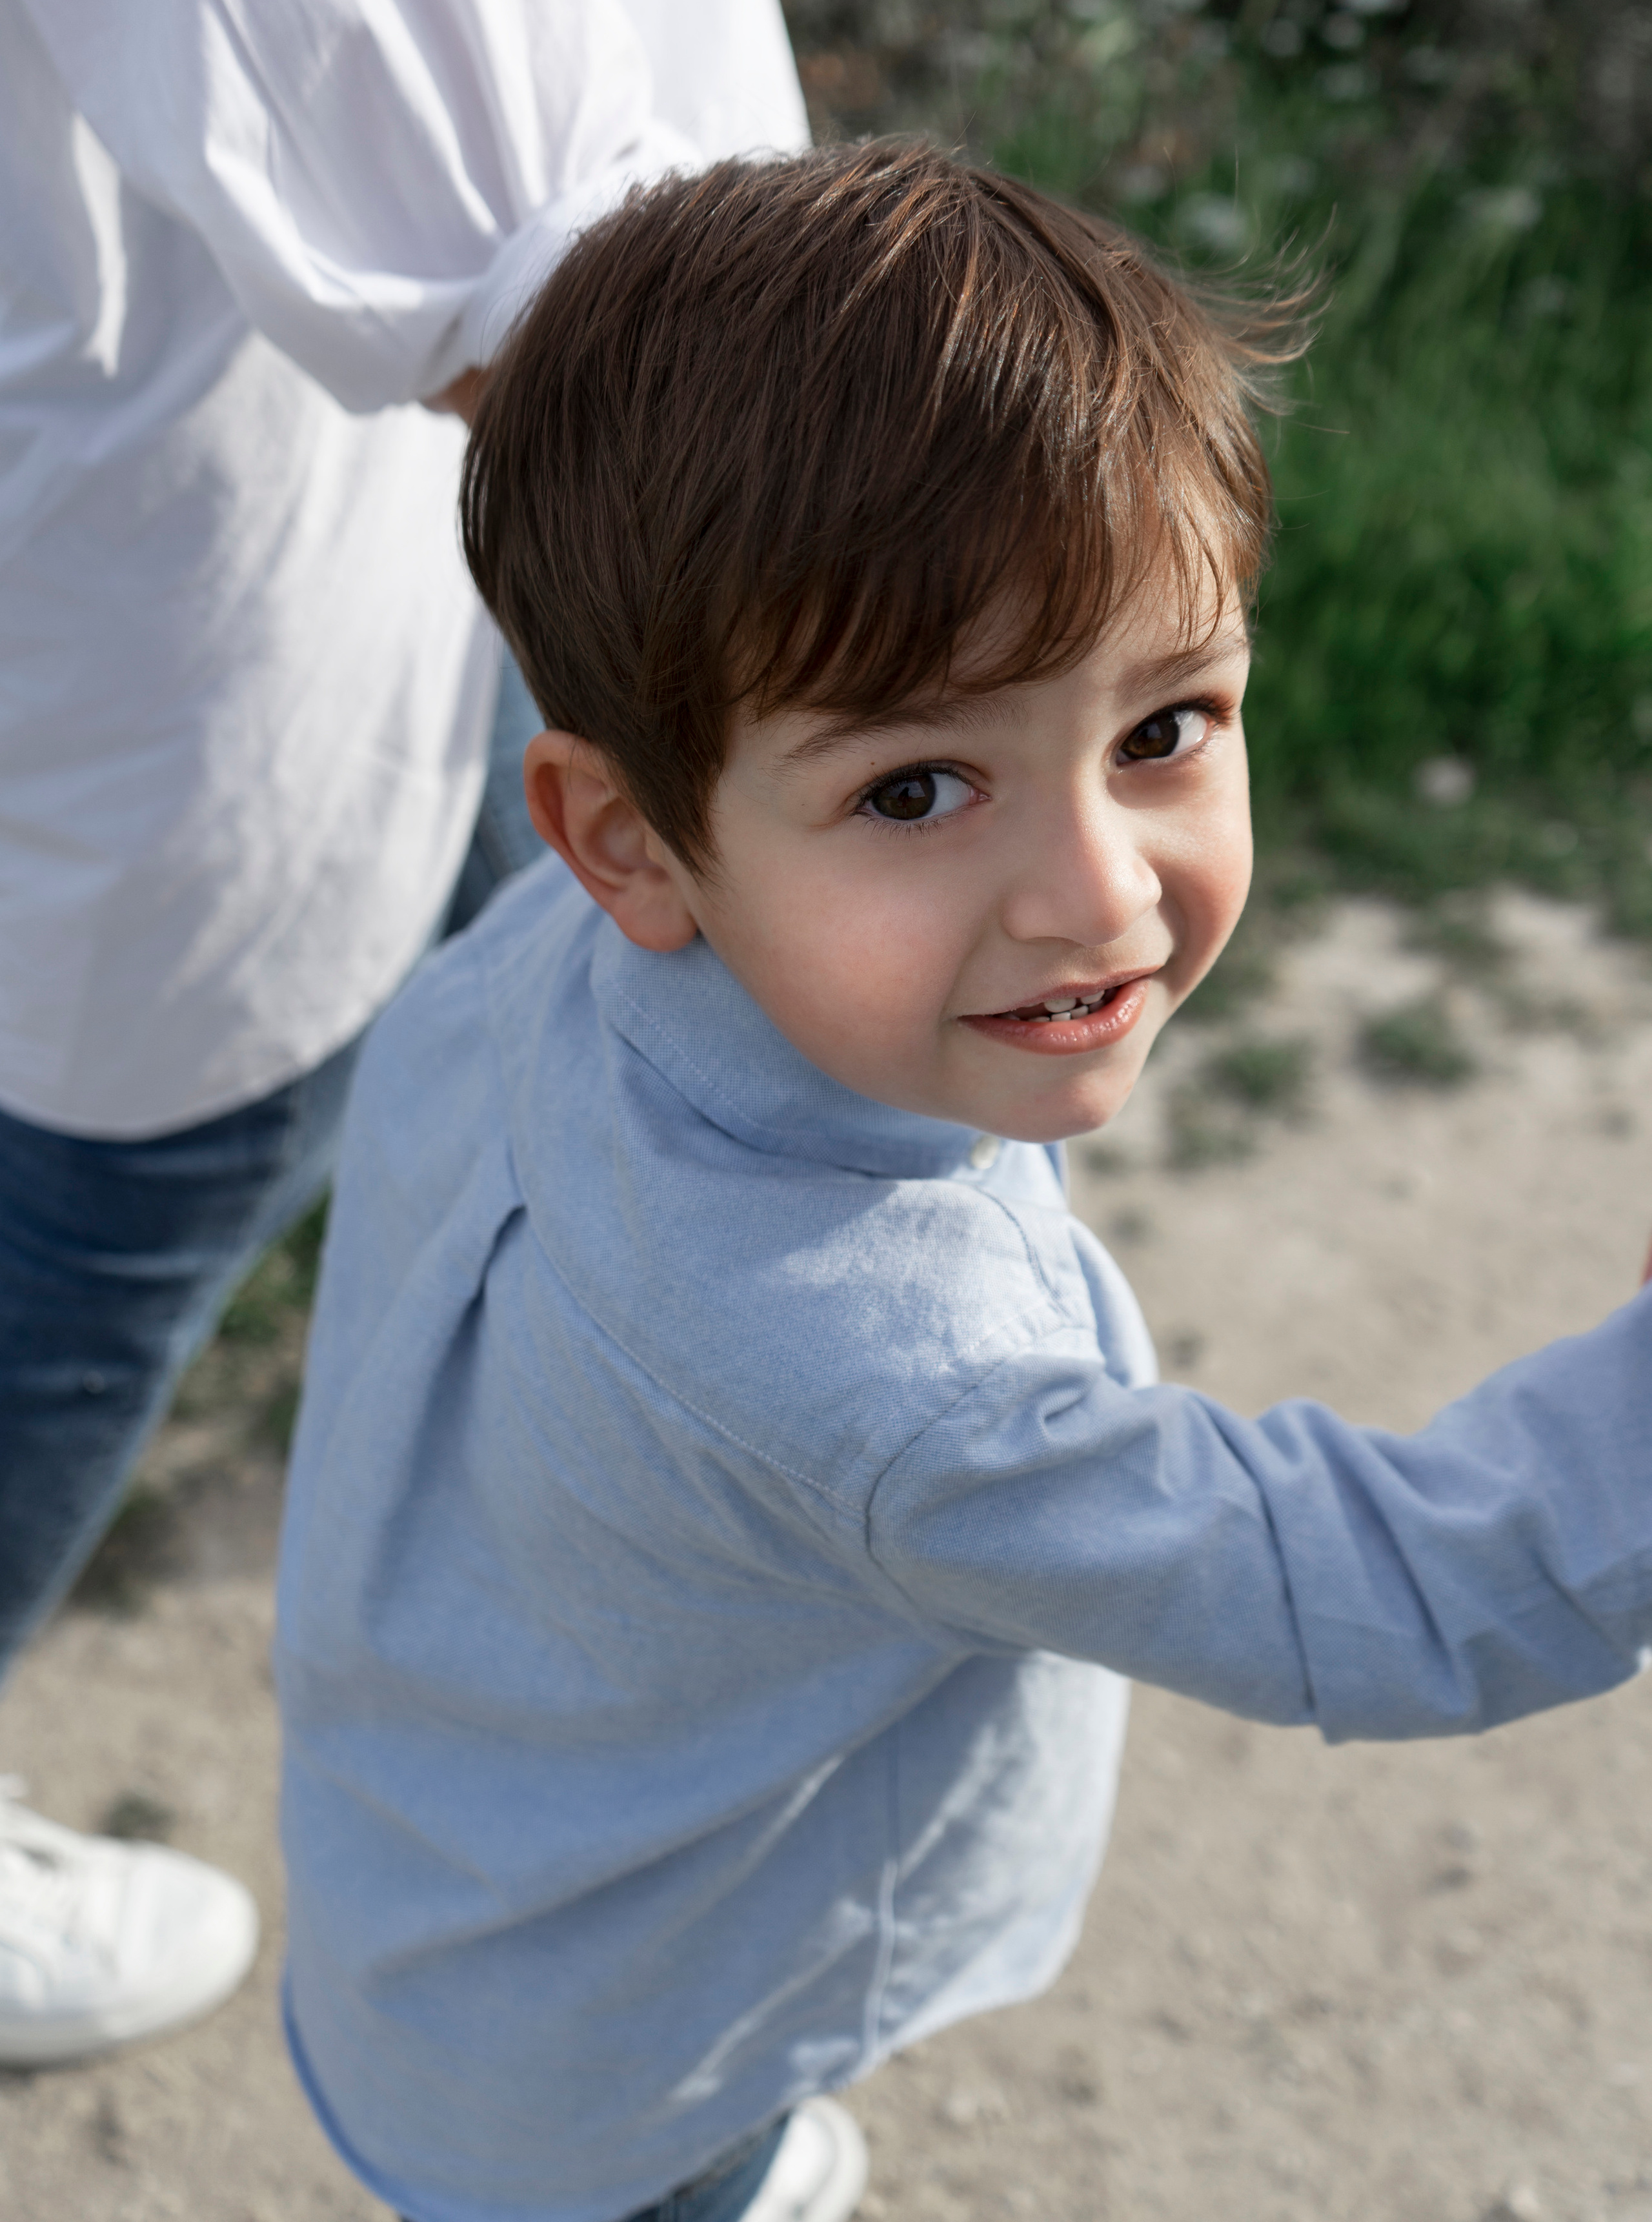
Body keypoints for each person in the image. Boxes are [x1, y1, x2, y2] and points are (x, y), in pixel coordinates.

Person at [274, 141, 1652, 2222]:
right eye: (918, 786)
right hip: (624, 2066)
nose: (1097, 890)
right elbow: (1378, 1594)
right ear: (626, 835)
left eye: (1167, 727)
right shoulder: (867, 1383)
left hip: (465, 1874)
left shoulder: (569, 942)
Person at [0, 0, 806, 2065]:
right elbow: (545, 284)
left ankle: (542, 1588)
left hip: (326, 482)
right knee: (137, 1166)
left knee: (493, 991)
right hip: (212, 510)